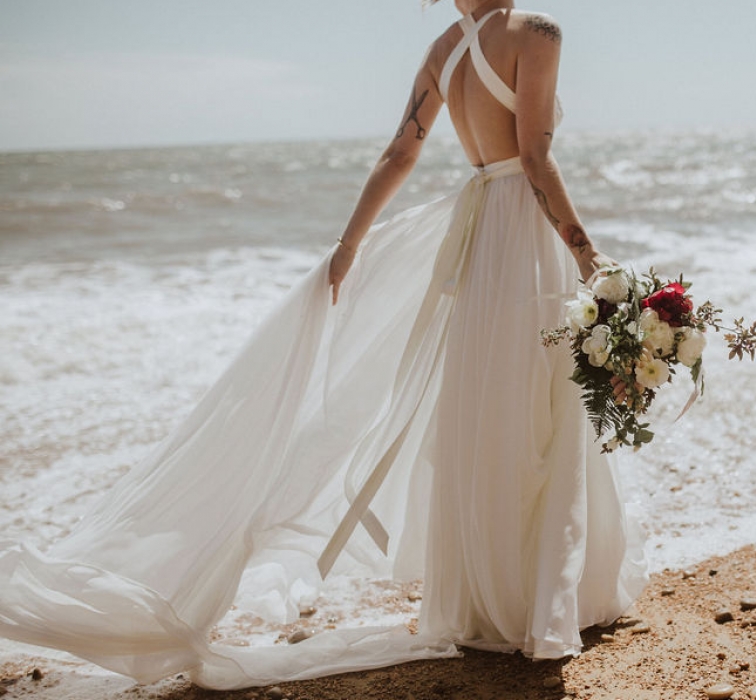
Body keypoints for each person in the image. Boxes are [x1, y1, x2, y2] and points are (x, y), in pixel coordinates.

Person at [0, 0, 646, 689]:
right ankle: (548, 598)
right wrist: (586, 253)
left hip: (479, 232)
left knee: (489, 408)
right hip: (521, 233)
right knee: (538, 405)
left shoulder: (441, 51)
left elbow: (402, 152)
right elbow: (536, 156)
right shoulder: (535, 33)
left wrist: (349, 246)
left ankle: (493, 605)